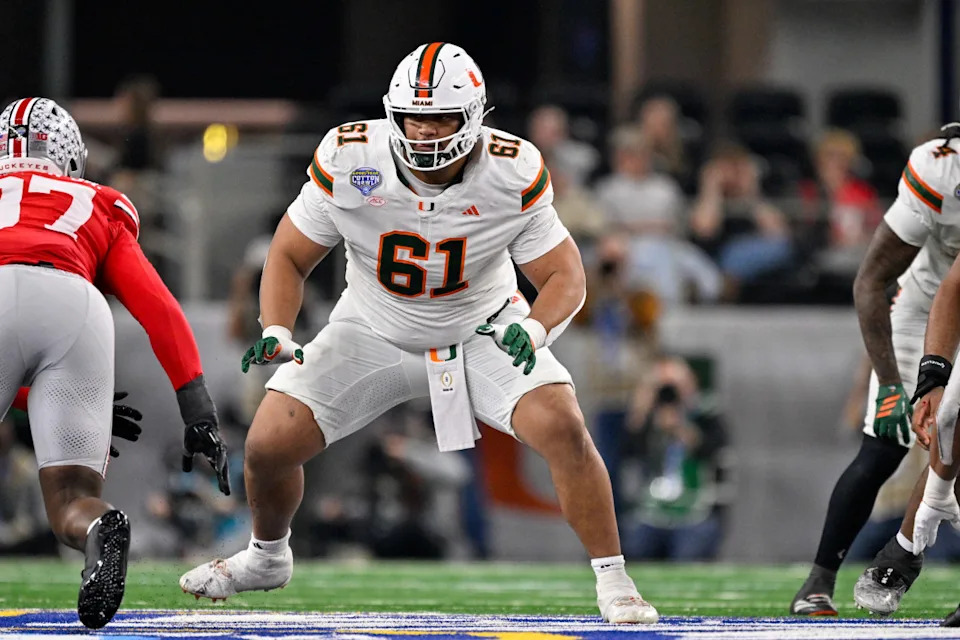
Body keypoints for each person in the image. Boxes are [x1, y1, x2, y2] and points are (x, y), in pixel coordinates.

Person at [178, 42, 658, 625]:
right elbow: (287, 255)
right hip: (371, 326)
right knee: (266, 445)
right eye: (414, 117)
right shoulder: (352, 157)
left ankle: (614, 578)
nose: (425, 131)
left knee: (563, 426)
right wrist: (277, 326)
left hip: (482, 327)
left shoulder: (511, 171)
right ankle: (267, 557)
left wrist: (533, 329)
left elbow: (566, 275)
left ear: (474, 118)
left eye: (440, 118)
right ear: (392, 113)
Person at [0, 97, 230, 628]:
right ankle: (101, 529)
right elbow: (159, 308)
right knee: (73, 501)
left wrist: (28, 399)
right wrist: (197, 408)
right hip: (77, 306)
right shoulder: (95, 201)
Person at [789, 123, 960, 616]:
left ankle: (903, 557)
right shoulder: (939, 167)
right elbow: (871, 281)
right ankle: (820, 579)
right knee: (885, 444)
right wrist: (889, 383)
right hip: (926, 307)